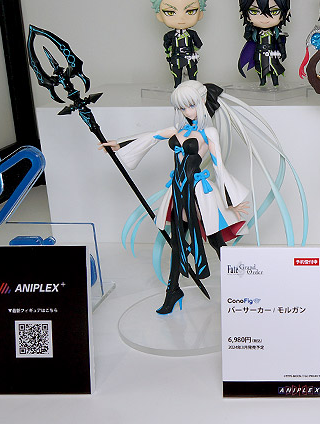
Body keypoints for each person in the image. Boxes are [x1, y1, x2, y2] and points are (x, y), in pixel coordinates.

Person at [102, 81, 307, 314]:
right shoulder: (178, 130)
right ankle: (173, 291)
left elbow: (219, 166)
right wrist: (118, 145)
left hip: (198, 192)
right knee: (178, 243)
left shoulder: (208, 133)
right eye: (182, 108)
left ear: (201, 102)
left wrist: (231, 201)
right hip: (178, 192)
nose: (186, 112)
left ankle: (244, 286)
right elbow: (150, 137)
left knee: (216, 240)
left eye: (190, 106)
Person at [236, 0, 291, 87]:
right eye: (254, 11)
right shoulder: (255, 33)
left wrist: (282, 52)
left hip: (272, 54)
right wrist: (249, 31)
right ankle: (262, 83)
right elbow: (248, 38)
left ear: (286, 12)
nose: (264, 18)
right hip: (259, 55)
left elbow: (280, 42)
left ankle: (275, 84)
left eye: (274, 11)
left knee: (274, 71)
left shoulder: (276, 33)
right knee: (261, 71)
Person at [151, 0, 207, 87]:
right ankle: (177, 88)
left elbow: (198, 44)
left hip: (190, 58)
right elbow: (167, 47)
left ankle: (194, 88)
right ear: (159, 15)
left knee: (193, 76)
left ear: (200, 13)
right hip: (176, 58)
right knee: (177, 76)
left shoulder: (192, 34)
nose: (181, 19)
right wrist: (168, 54)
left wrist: (194, 52)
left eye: (190, 11)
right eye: (170, 12)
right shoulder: (169, 36)